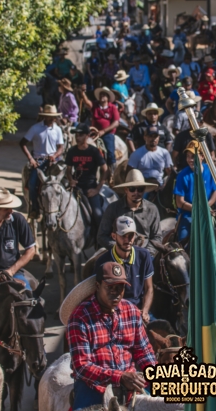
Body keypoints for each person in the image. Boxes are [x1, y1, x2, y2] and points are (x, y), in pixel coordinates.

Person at [66, 262, 157, 409]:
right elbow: (82, 366)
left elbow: (143, 351)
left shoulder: (131, 311)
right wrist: (119, 376)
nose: (116, 293)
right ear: (98, 286)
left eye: (120, 288)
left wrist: (155, 373)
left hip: (131, 381)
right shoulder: (80, 317)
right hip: (93, 385)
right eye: (110, 287)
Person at [94, 217, 154, 322]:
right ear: (114, 236)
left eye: (131, 236)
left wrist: (145, 311)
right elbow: (98, 293)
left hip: (138, 309)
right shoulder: (102, 262)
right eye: (123, 236)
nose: (127, 240)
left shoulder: (144, 255)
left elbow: (149, 288)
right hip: (113, 310)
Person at [97, 170, 161, 254]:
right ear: (126, 190)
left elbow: (157, 237)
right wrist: (120, 249)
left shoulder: (152, 209)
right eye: (132, 189)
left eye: (140, 189)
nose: (136, 192)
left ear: (144, 190)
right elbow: (102, 236)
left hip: (145, 253)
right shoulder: (113, 208)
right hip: (119, 253)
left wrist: (146, 253)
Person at [19, 105, 65, 219]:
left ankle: (62, 209)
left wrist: (55, 155)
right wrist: (31, 159)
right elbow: (22, 143)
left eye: (54, 117)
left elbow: (61, 147)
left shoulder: (58, 129)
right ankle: (35, 208)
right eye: (50, 116)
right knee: (32, 184)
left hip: (54, 161)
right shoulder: (35, 128)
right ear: (44, 116)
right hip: (39, 161)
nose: (52, 119)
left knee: (65, 182)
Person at [173, 141, 216, 244]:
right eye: (188, 156)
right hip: (188, 216)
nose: (190, 160)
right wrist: (199, 209)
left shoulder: (210, 170)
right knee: (183, 243)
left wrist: (206, 206)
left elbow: (215, 191)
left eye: (193, 156)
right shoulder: (182, 175)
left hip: (208, 213)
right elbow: (179, 202)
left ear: (202, 156)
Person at [65, 124, 110, 229]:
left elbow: (105, 170)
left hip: (90, 188)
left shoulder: (94, 151)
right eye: (76, 135)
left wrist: (97, 189)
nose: (77, 138)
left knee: (98, 214)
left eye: (80, 135)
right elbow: (68, 171)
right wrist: (71, 180)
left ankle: (100, 237)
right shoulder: (71, 151)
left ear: (87, 136)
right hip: (76, 188)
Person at [81, 87, 120, 169]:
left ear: (108, 97)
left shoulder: (112, 107)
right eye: (101, 94)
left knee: (110, 152)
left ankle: (112, 171)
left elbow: (116, 123)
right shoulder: (95, 105)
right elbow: (87, 102)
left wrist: (104, 131)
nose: (102, 96)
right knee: (82, 144)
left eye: (104, 95)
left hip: (108, 133)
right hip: (94, 132)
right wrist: (83, 94)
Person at [126, 127, 174, 191]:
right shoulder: (136, 154)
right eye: (150, 136)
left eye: (155, 136)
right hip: (142, 186)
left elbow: (170, 172)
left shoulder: (165, 153)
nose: (153, 139)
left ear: (158, 138)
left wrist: (165, 185)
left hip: (160, 185)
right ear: (145, 137)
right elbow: (129, 173)